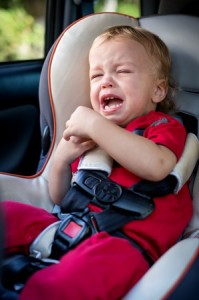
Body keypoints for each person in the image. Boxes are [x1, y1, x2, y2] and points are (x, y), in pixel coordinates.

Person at [3, 26, 192, 300]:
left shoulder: (161, 125)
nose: (106, 81)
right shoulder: (91, 138)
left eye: (123, 71)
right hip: (69, 224)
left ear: (158, 90)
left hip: (127, 243)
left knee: (66, 285)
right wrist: (62, 159)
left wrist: (93, 124)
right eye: (97, 75)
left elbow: (157, 166)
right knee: (8, 216)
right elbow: (61, 197)